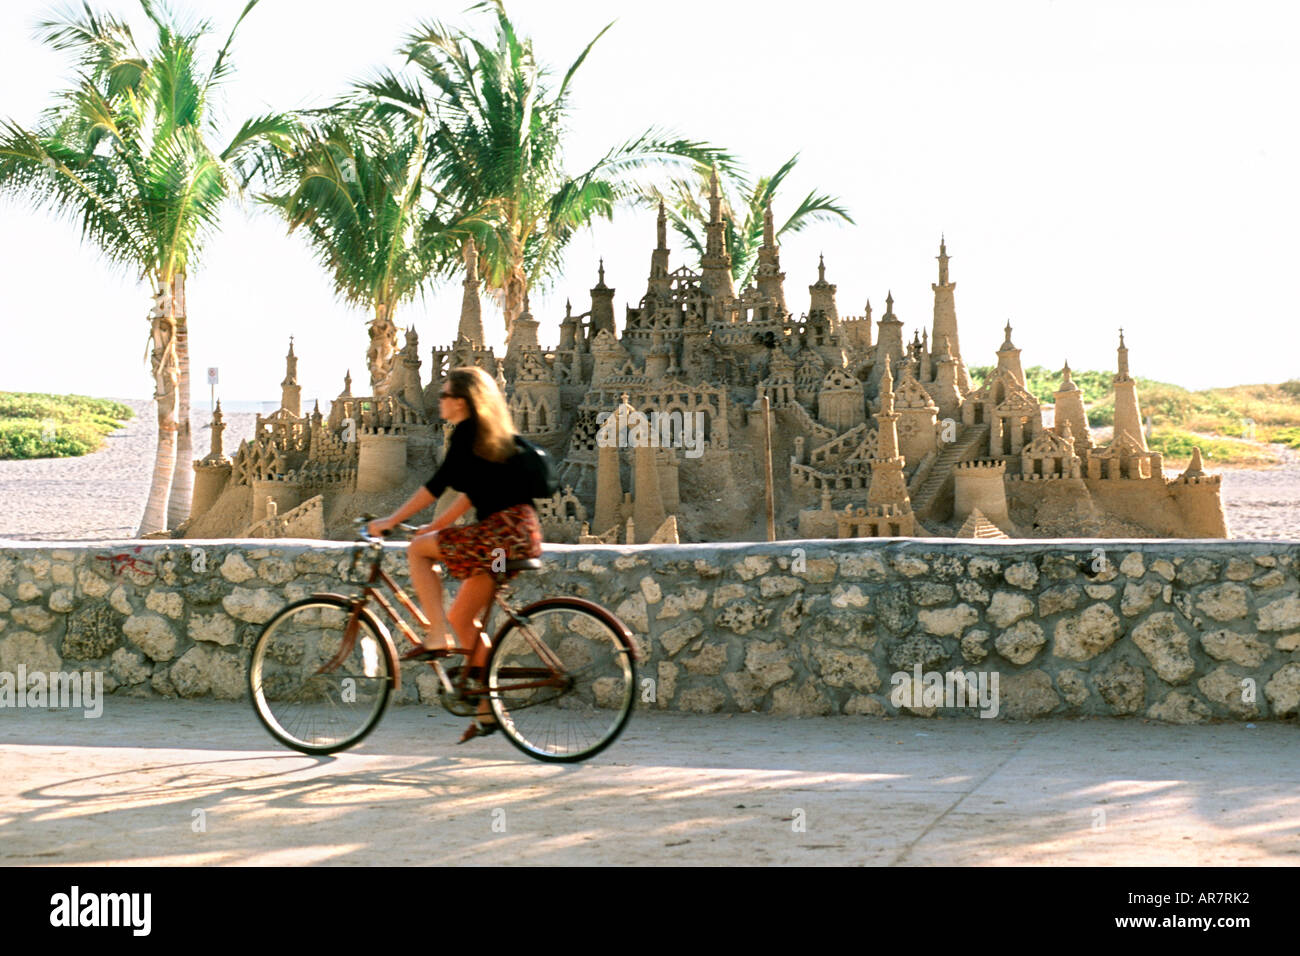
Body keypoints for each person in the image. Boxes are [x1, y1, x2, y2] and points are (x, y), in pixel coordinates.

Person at [367, 365, 543, 743]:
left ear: (462, 402)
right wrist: (435, 526)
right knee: (464, 619)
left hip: (498, 536)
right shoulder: (488, 433)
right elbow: (467, 494)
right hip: (515, 534)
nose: (440, 400)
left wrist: (390, 520)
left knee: (417, 552)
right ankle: (487, 711)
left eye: (446, 395)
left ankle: (434, 636)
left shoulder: (466, 433)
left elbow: (435, 487)